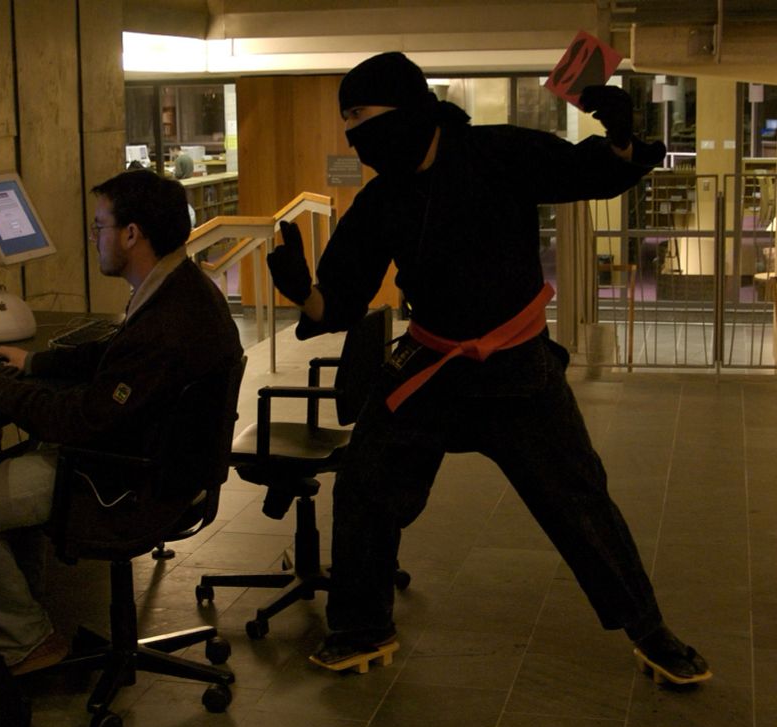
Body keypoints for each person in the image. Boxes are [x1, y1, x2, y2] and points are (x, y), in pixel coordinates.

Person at [266, 51, 711, 685]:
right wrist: (299, 291)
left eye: (362, 116)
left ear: (410, 110)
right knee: (365, 484)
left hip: (518, 368)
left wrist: (620, 137)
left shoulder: (498, 153)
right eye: (348, 123)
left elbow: (594, 173)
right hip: (431, 360)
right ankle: (362, 627)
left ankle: (650, 631)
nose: (356, 135)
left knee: (578, 500)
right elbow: (339, 300)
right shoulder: (383, 199)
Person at [0, 168, 242, 675]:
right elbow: (115, 355)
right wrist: (34, 364)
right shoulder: (181, 289)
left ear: (131, 233)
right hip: (163, 468)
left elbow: (81, 420)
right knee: (5, 472)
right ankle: (10, 623)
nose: (95, 239)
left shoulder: (166, 322)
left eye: (99, 226)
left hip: (121, 483)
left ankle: (25, 640)